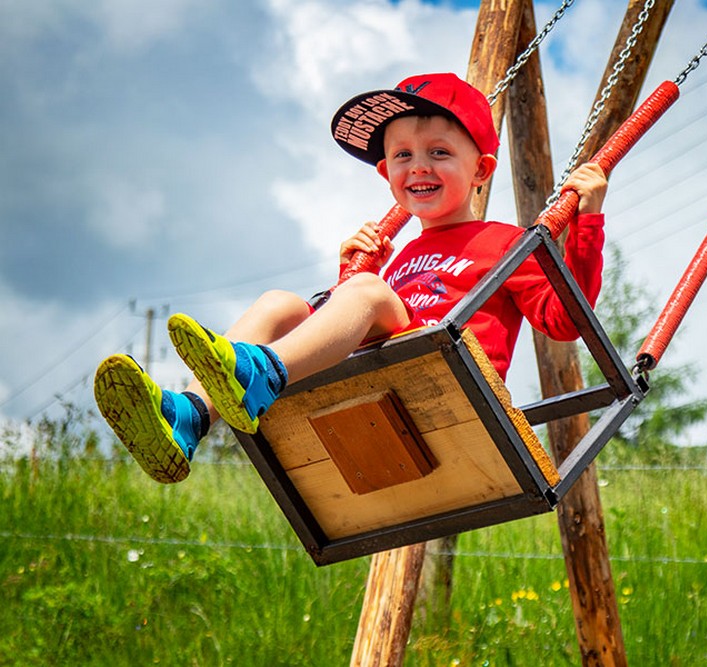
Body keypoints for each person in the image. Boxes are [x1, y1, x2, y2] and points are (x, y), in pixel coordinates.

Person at [94, 72, 607, 484]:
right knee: (279, 303)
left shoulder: (505, 242)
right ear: (386, 173)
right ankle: (190, 416)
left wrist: (586, 223)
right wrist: (351, 273)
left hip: (450, 381)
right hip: (378, 377)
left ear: (482, 170)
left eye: (439, 152)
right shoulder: (398, 258)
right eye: (402, 154)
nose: (418, 166)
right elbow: (348, 330)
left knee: (365, 294)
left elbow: (565, 321)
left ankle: (258, 373)